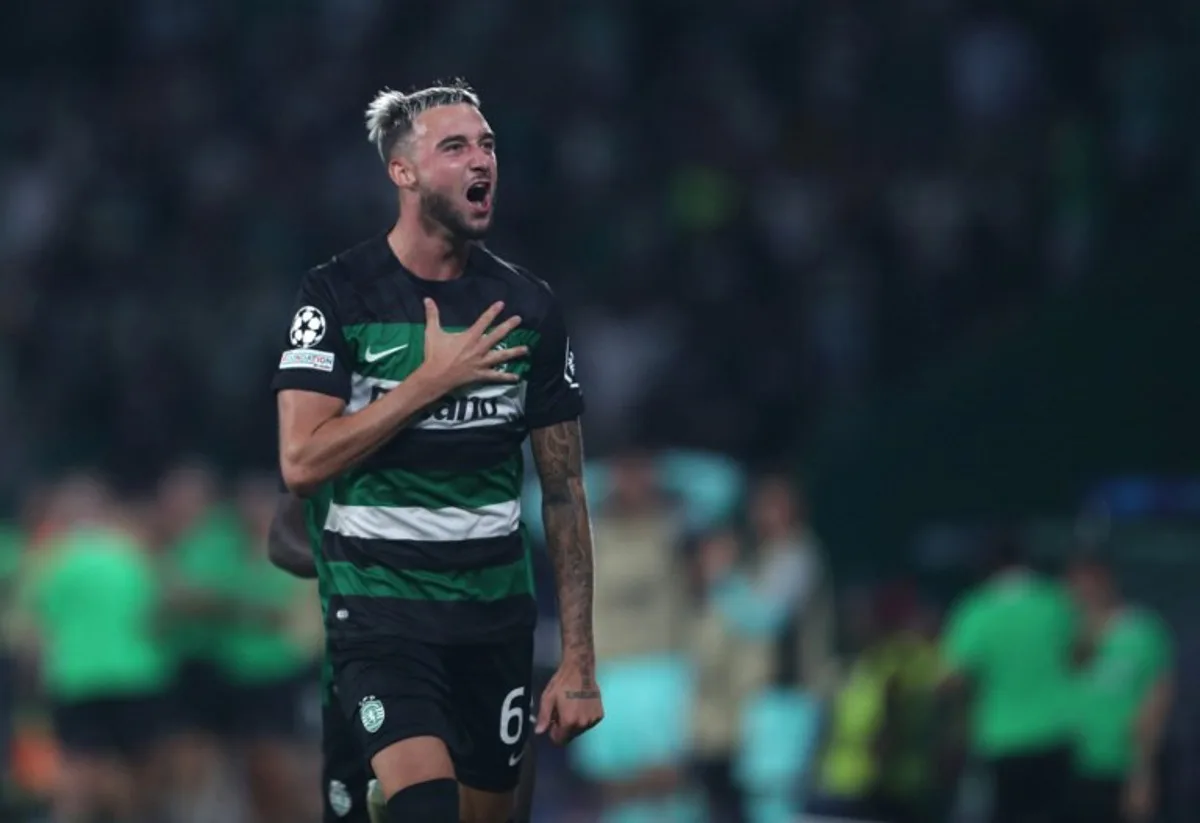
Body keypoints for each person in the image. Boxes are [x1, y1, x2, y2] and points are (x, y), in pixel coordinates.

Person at [272, 80, 602, 823]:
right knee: (424, 808)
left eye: (487, 145)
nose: (480, 159)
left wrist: (578, 658)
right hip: (383, 619)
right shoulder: (336, 297)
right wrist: (427, 384)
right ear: (404, 172)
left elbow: (564, 490)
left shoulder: (528, 309)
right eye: (455, 146)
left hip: (494, 619)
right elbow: (300, 459)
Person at [15, 487, 174, 823]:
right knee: (137, 772)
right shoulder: (134, 552)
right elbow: (157, 614)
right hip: (135, 673)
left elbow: (35, 626)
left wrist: (34, 678)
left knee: (78, 773)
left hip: (76, 676)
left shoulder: (49, 558)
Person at [940, 536, 1076, 823]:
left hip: (999, 737)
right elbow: (1080, 652)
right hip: (1056, 731)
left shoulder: (977, 609)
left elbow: (954, 678)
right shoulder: (1055, 601)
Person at [1065, 554, 1173, 823]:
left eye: (1092, 583)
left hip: (1121, 766)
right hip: (1067, 765)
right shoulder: (1061, 635)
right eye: (1076, 584)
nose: (1084, 592)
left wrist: (1142, 775)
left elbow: (1155, 703)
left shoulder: (1141, 632)